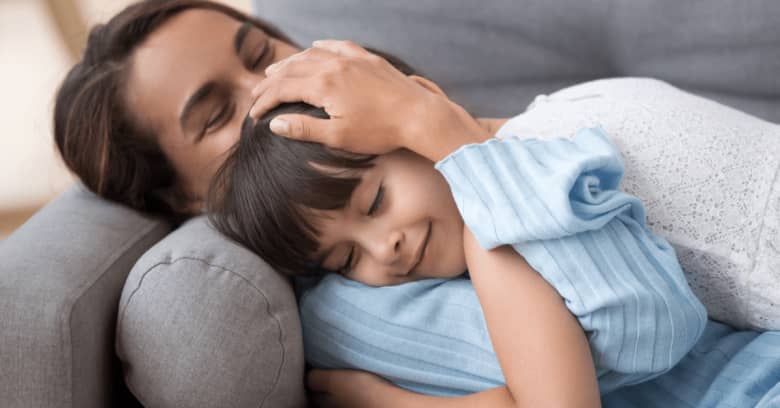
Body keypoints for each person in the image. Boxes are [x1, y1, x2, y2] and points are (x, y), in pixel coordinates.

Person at [52, 1, 779, 406]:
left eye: (260, 53)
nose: (273, 89)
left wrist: (443, 136)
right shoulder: (362, 290)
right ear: (183, 198)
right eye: (214, 116)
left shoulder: (486, 160)